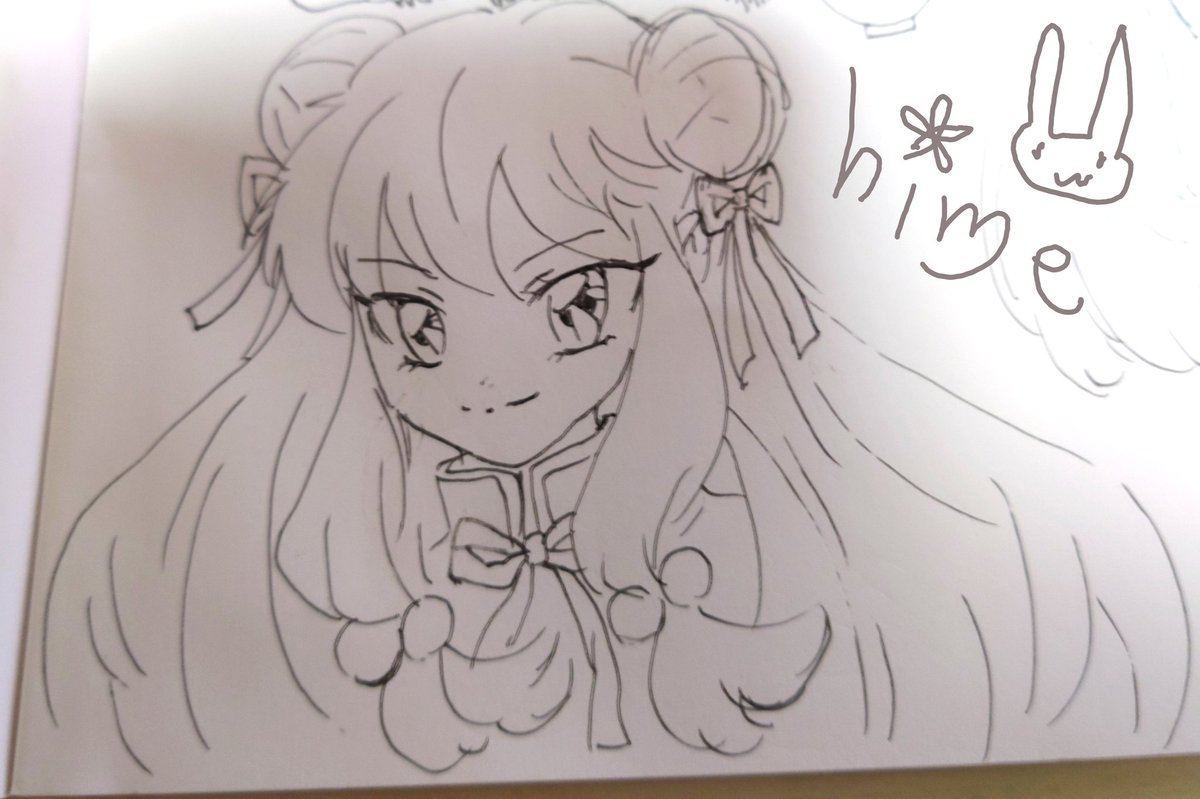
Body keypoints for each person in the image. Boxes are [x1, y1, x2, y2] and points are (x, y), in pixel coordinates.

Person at [36, 0, 1189, 787]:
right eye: (414, 318)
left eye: (576, 300)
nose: (491, 386)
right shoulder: (195, 558)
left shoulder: (901, 537)